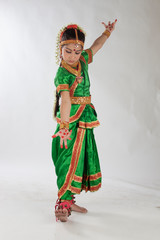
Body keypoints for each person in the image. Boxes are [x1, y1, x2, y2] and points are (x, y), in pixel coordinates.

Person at [51, 20, 117, 222]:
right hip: (69, 121)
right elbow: (66, 101)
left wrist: (107, 32)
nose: (72, 56)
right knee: (67, 159)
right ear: (60, 49)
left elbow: (96, 46)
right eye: (68, 51)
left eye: (77, 52)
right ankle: (62, 204)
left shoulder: (82, 61)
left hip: (86, 116)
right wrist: (63, 127)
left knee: (80, 158)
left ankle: (69, 200)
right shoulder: (62, 73)